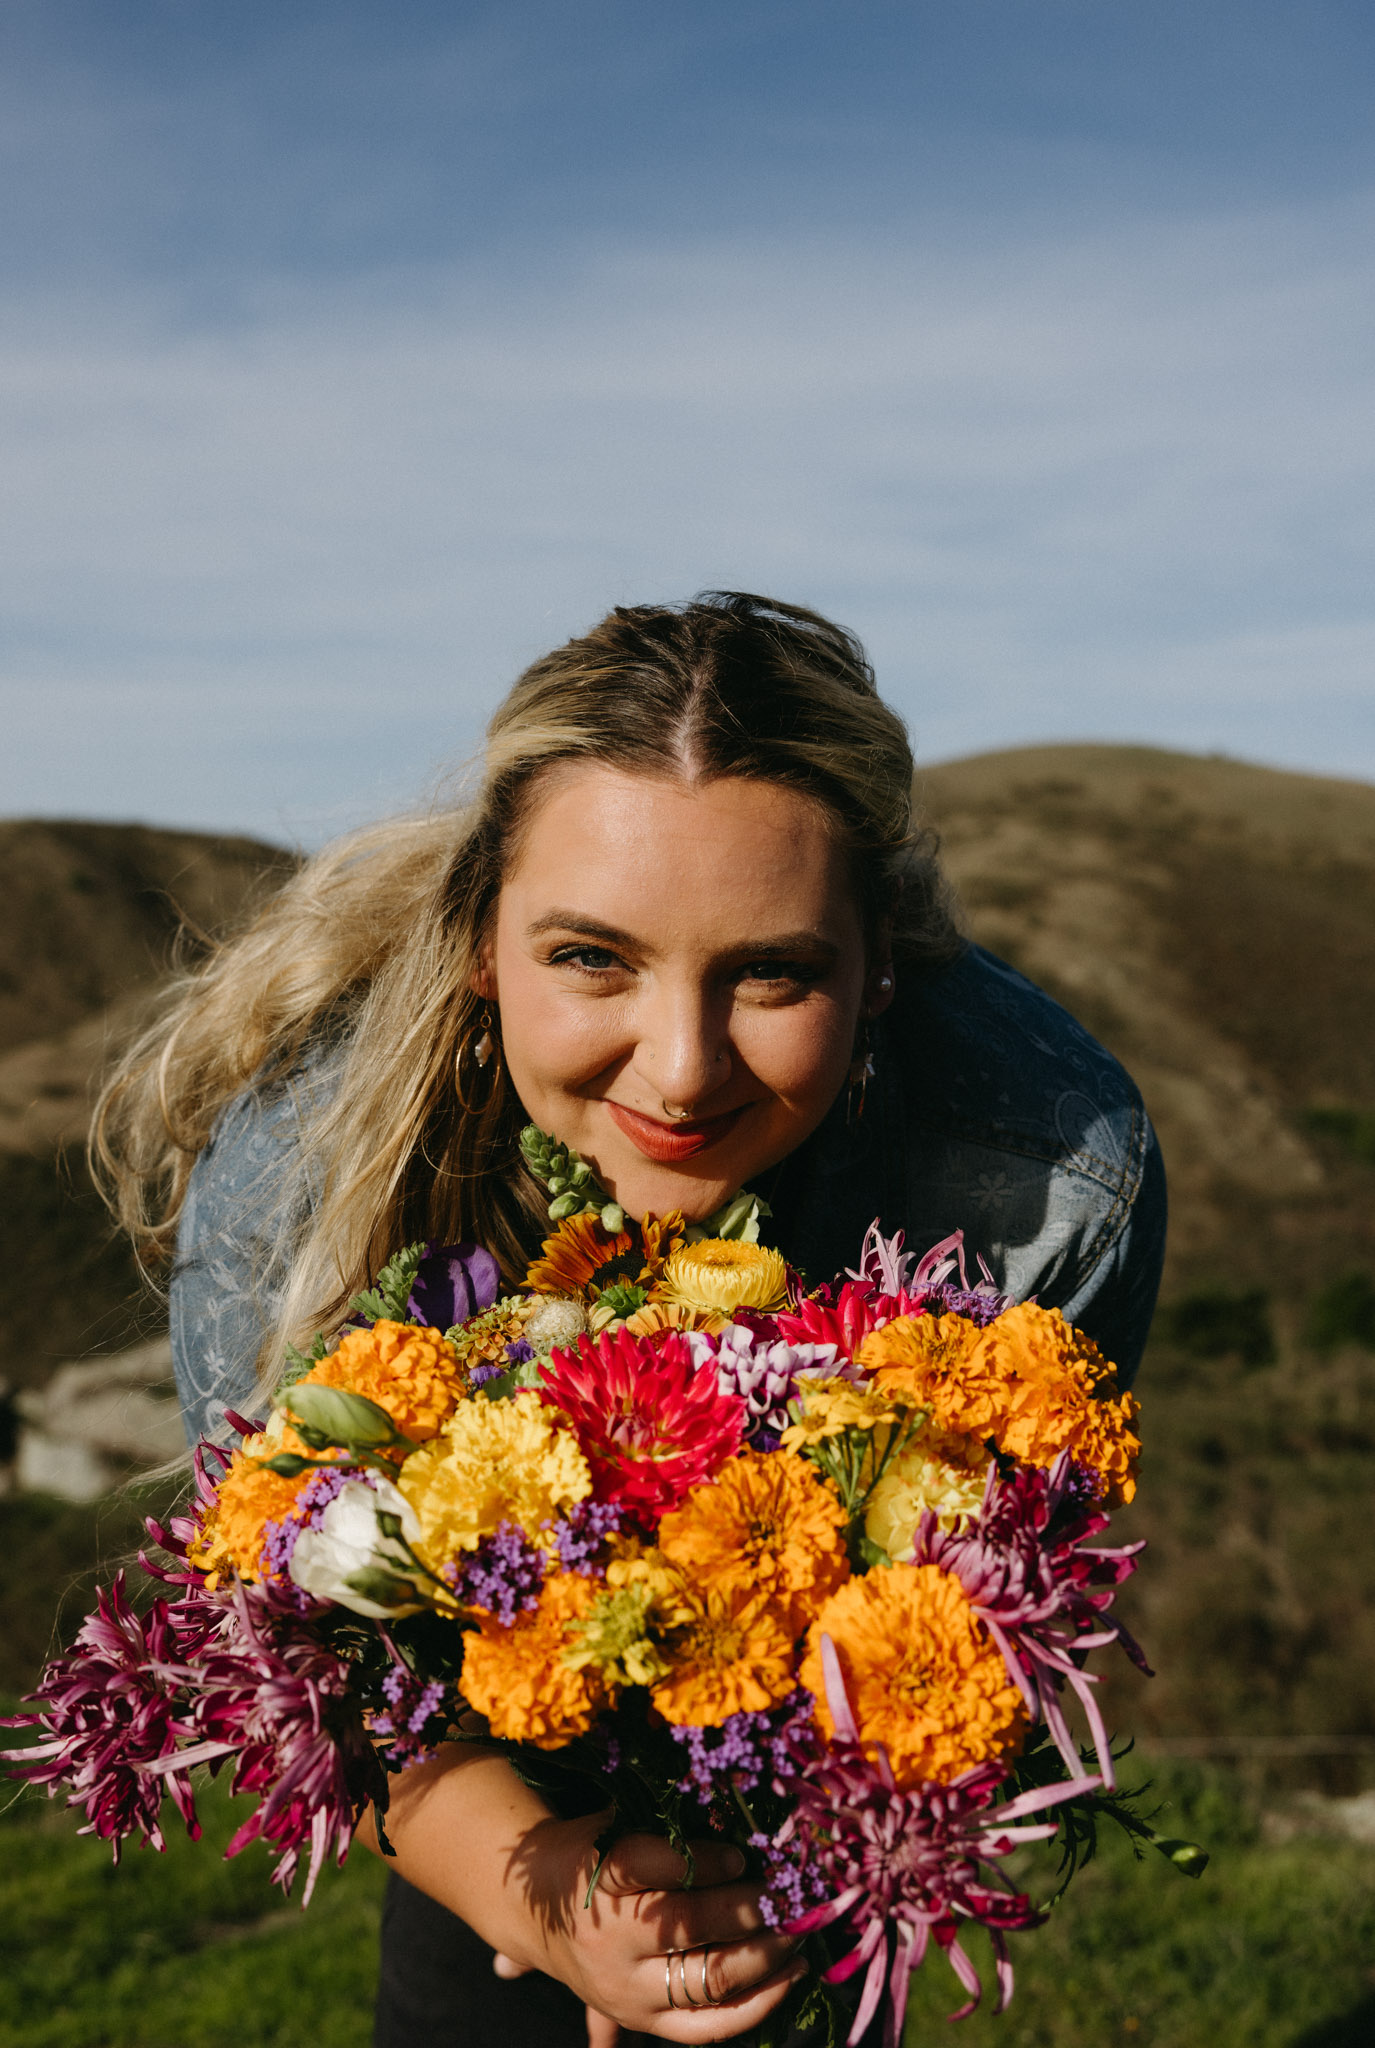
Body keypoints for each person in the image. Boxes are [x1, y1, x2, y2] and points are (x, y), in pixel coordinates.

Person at [96, 592, 1166, 2047]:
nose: (678, 1069)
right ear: (482, 942)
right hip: (477, 1788)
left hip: (817, 1815)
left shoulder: (1049, 1177)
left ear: (881, 967)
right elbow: (311, 1665)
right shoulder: (306, 1175)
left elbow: (1006, 1622)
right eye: (592, 957)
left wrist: (735, 1896)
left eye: (774, 972)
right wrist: (563, 1910)